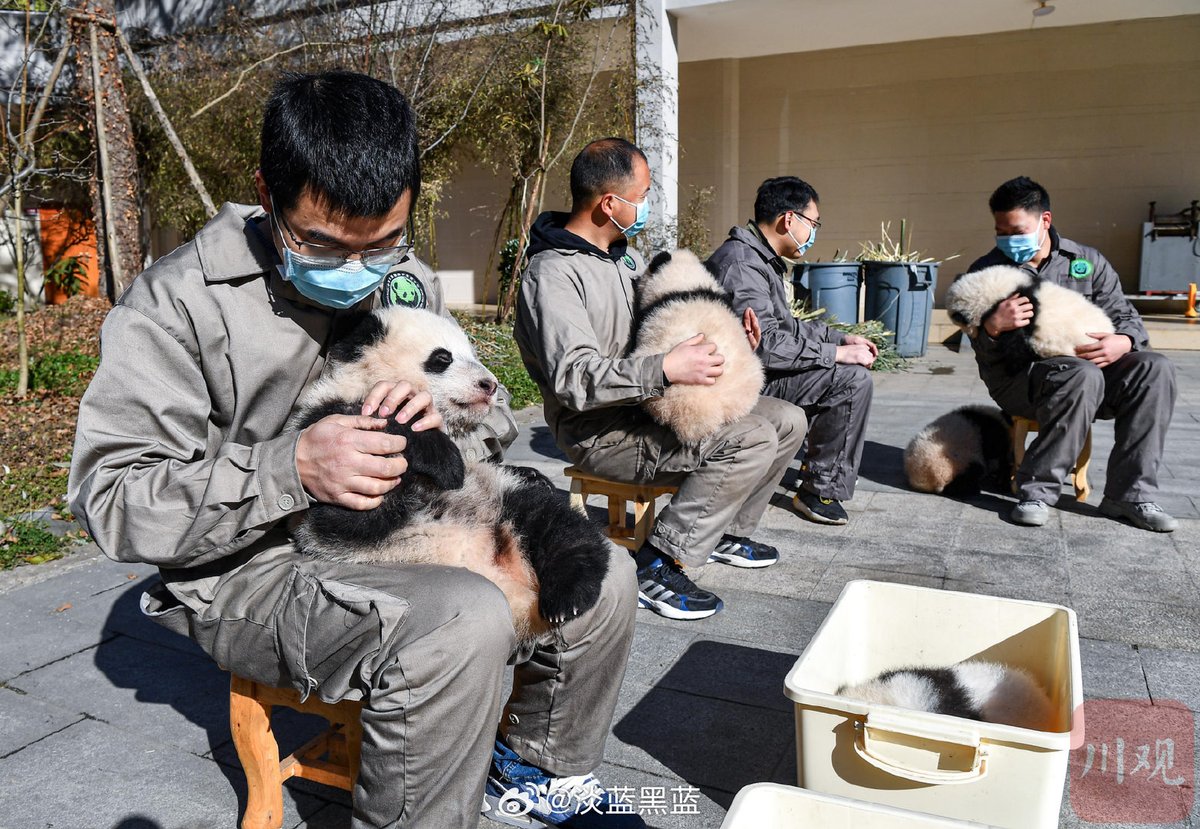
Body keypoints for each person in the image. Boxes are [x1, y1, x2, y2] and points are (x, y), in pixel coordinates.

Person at [68, 71, 646, 829]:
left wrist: (447, 420)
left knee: (607, 571)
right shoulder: (175, 304)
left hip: (418, 518)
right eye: (322, 244)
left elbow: (493, 411)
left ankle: (536, 766)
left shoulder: (402, 280)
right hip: (256, 563)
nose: (357, 268)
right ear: (267, 192)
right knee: (461, 617)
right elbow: (113, 502)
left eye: (382, 242)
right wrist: (291, 468)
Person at [514, 138, 808, 622]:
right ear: (610, 204)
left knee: (787, 419)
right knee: (751, 436)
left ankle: (724, 532)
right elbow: (573, 379)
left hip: (655, 406)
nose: (647, 205)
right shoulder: (553, 276)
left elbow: (665, 330)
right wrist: (666, 368)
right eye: (643, 194)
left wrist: (732, 340)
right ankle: (657, 562)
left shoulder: (625, 260)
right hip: (604, 431)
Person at [963, 176, 1177, 531]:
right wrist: (992, 327)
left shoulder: (1087, 261)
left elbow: (1126, 317)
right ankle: (1037, 493)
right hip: (1022, 382)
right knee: (1079, 373)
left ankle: (1130, 495)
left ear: (1044, 220)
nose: (1008, 240)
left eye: (1017, 231)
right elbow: (980, 350)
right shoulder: (987, 272)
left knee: (1154, 368)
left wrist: (1124, 340)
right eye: (1001, 232)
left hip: (1093, 374)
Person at [707, 177, 875, 526]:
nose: (813, 233)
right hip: (739, 385)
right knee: (850, 380)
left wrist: (839, 339)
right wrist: (835, 356)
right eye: (813, 223)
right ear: (789, 219)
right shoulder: (742, 265)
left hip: (753, 376)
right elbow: (766, 345)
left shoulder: (758, 259)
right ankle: (819, 489)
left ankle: (817, 475)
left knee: (843, 371)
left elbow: (786, 326)